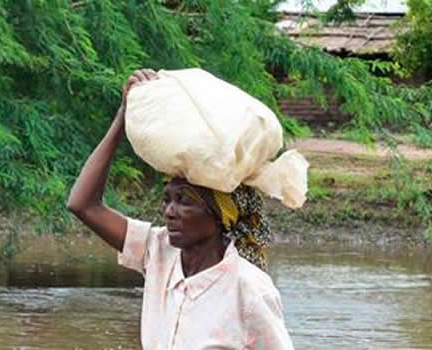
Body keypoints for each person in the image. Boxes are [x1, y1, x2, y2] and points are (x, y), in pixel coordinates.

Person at [65, 69, 294, 349]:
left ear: (220, 215)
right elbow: (82, 204)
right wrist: (121, 119)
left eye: (184, 201)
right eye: (167, 200)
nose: (169, 211)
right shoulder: (159, 253)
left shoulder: (249, 289)